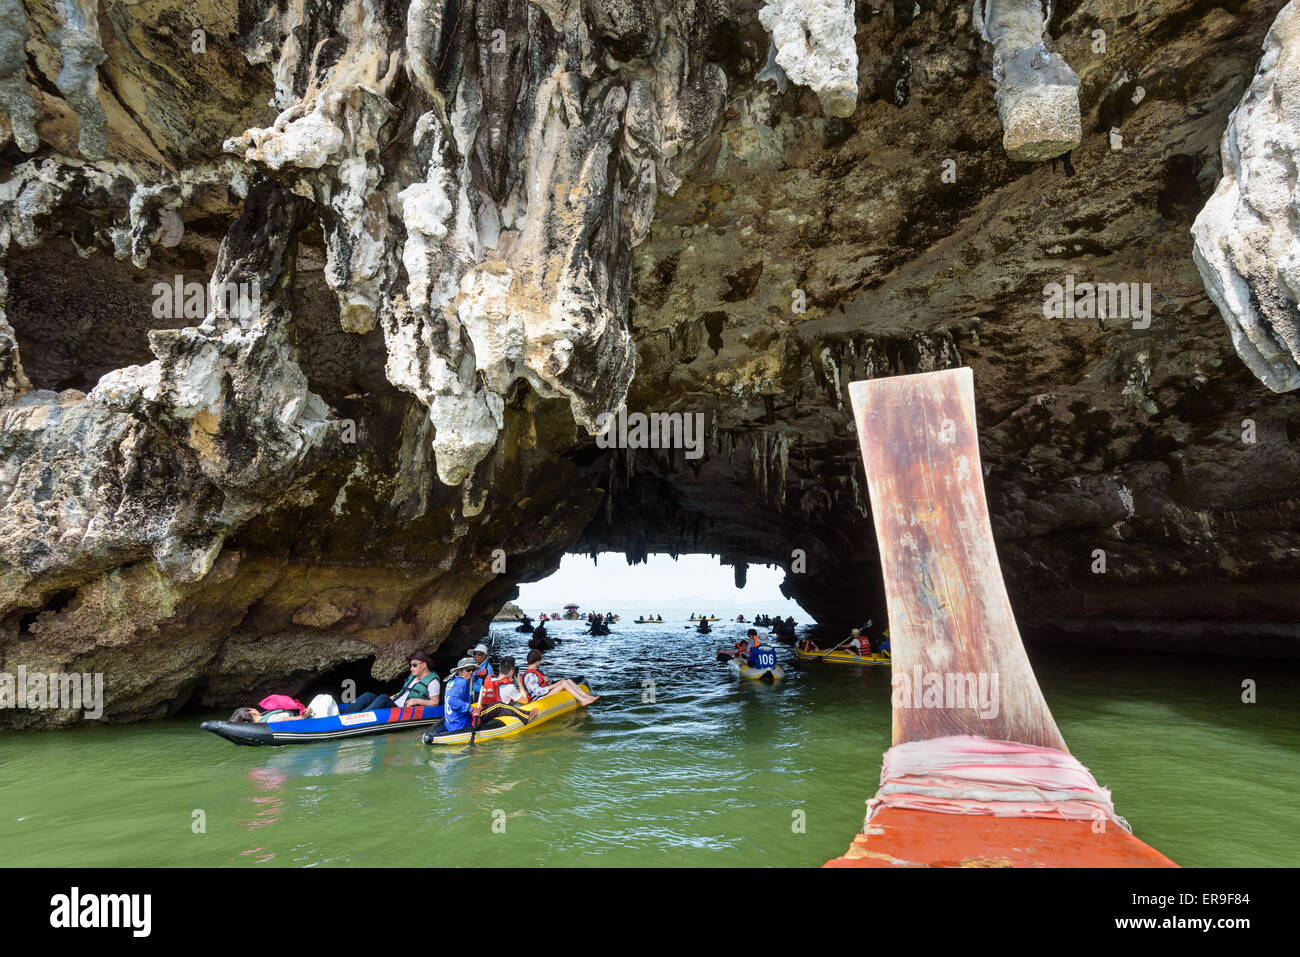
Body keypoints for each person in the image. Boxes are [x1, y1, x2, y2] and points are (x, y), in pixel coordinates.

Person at [336, 651, 440, 714]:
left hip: (401, 709)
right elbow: (405, 691)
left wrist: (417, 701)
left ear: (424, 665)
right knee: (368, 696)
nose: (411, 668)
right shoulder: (413, 677)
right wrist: (395, 696)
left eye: (414, 665)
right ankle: (340, 714)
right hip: (395, 702)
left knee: (383, 698)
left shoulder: (433, 682)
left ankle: (360, 717)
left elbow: (435, 702)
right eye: (411, 665)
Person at [521, 649, 599, 706]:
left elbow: (545, 684)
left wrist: (548, 680)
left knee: (567, 680)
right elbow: (537, 692)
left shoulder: (535, 672)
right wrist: (555, 685)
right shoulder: (529, 676)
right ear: (538, 661)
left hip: (545, 694)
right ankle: (583, 700)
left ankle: (586, 696)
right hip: (538, 699)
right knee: (563, 683)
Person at [474, 656, 533, 726]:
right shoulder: (509, 687)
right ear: (511, 671)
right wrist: (519, 682)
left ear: (499, 668)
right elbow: (525, 700)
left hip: (486, 710)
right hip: (498, 714)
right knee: (521, 703)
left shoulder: (488, 679)